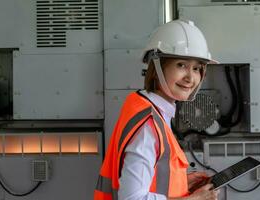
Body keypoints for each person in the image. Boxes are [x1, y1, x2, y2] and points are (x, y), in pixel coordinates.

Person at [94, 19, 219, 200]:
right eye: (181, 65)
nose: (190, 78)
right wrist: (195, 199)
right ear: (158, 66)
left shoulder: (149, 108)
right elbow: (132, 198)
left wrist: (181, 181)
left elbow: (152, 177)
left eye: (197, 68)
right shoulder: (149, 126)